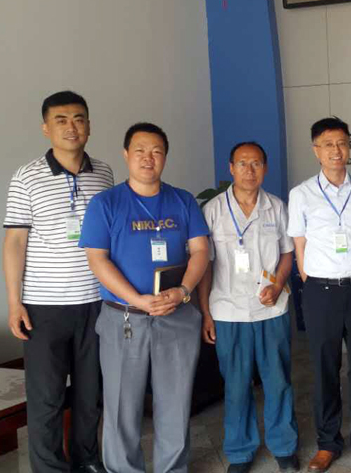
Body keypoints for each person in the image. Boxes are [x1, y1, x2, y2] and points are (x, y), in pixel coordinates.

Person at [80, 122, 211, 473]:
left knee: (176, 402)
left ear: (165, 157)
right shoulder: (106, 203)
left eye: (156, 151)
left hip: (177, 315)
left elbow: (201, 251)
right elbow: (97, 259)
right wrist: (137, 301)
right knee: (122, 406)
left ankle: (173, 468)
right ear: (126, 154)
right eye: (140, 150)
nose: (148, 158)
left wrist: (183, 291)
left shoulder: (183, 200)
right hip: (124, 317)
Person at [3, 90, 114, 473]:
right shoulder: (26, 177)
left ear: (89, 126)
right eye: (61, 120)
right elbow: (15, 242)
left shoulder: (104, 173)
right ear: (46, 128)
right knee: (47, 398)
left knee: (90, 393)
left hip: (96, 304)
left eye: (79, 119)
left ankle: (87, 461)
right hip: (44, 307)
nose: (72, 127)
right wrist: (14, 302)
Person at [287, 117, 351, 472]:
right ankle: (328, 442)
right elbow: (299, 246)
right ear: (316, 150)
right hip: (321, 291)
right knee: (324, 368)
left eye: (342, 143)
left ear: (349, 147)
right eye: (328, 144)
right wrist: (316, 279)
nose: (336, 150)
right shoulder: (301, 194)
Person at [199, 142, 299, 473]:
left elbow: (287, 254)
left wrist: (278, 284)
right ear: (231, 168)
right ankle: (240, 452)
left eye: (256, 163)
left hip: (271, 309)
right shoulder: (213, 210)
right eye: (242, 163)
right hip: (228, 311)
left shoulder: (276, 207)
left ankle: (284, 446)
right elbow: (204, 264)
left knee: (278, 380)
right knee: (236, 385)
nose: (249, 170)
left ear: (265, 168)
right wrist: (206, 312)